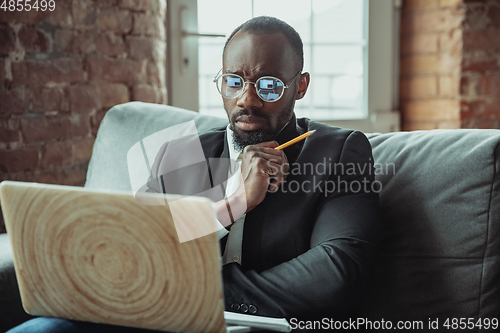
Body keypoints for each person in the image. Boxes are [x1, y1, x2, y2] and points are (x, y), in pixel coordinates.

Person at [8, 16, 380, 332]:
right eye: (233, 81)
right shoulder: (180, 153)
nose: (247, 100)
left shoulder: (338, 152)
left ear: (299, 86)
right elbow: (138, 251)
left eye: (268, 85)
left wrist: (193, 291)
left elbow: (336, 273)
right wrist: (236, 202)